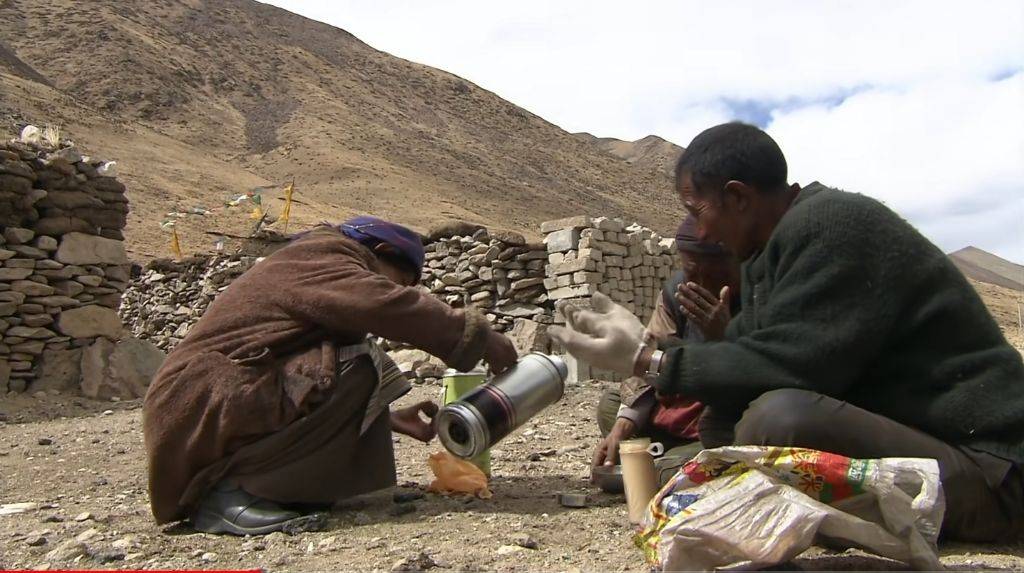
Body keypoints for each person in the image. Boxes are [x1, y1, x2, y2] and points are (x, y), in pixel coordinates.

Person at [550, 122, 1024, 542]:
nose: (701, 231)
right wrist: (657, 354)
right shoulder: (770, 257)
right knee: (749, 418)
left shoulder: (836, 227)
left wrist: (647, 359)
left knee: (779, 419)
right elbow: (746, 366)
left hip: (992, 473)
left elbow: (794, 365)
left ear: (737, 197)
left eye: (698, 211)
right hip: (941, 459)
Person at [143, 216, 518, 535]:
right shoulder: (322, 256)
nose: (397, 289)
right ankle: (231, 492)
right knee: (359, 362)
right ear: (382, 253)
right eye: (399, 280)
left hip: (217, 395)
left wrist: (384, 418)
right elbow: (382, 304)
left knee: (355, 361)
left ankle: (269, 486)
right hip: (199, 396)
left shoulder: (318, 263)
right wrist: (481, 338)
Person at [593, 216, 740, 484]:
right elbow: (649, 358)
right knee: (611, 406)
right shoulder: (676, 293)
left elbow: (758, 375)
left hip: (718, 420)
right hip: (676, 411)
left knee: (734, 437)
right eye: (689, 272)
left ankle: (659, 467)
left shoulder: (755, 297)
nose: (695, 283)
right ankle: (662, 462)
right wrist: (625, 423)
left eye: (706, 273)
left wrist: (725, 336)